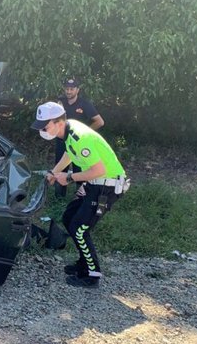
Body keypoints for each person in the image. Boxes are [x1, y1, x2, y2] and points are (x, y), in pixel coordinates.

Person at [31, 101, 128, 288]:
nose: (42, 130)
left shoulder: (80, 137)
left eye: (45, 126)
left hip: (106, 187)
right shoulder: (68, 131)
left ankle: (92, 275)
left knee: (80, 228)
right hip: (94, 183)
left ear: (59, 122)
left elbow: (99, 170)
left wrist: (68, 177)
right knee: (69, 218)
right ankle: (83, 264)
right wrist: (53, 172)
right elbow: (69, 154)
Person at [54, 77, 104, 197]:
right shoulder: (60, 102)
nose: (69, 91)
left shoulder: (84, 104)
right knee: (60, 168)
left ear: (77, 90)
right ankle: (59, 198)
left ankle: (79, 197)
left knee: (79, 170)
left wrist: (84, 134)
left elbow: (100, 122)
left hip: (79, 143)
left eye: (72, 89)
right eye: (67, 89)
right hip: (62, 141)